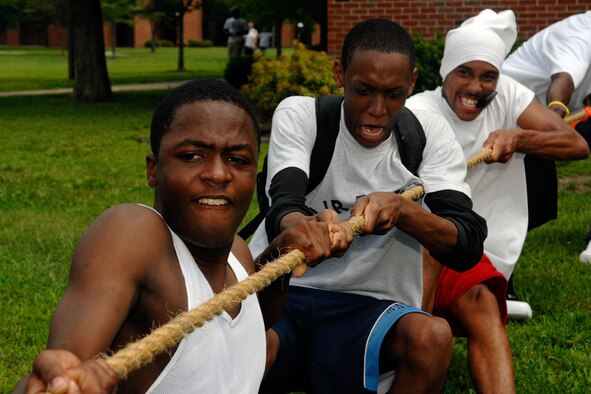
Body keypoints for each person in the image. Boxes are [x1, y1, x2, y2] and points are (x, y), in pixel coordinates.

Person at [14, 79, 351, 393]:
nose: (218, 174)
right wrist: (60, 379)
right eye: (192, 156)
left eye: (237, 159)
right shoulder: (134, 233)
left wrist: (282, 257)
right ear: (152, 169)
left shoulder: (237, 254)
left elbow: (243, 326)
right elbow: (66, 368)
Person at [248, 18, 488, 394]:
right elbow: (283, 207)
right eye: (363, 90)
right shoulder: (303, 117)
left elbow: (466, 242)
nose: (377, 109)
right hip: (288, 297)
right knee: (249, 350)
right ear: (340, 74)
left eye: (393, 93)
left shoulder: (429, 135)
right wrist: (306, 229)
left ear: (412, 82)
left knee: (433, 338)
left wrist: (404, 212)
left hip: (369, 306)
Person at [406, 9, 590, 394]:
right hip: (413, 248)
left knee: (483, 305)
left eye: (487, 75)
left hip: (474, 248)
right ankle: (411, 352)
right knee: (424, 296)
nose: (476, 87)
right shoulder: (418, 112)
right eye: (465, 73)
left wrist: (520, 138)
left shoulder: (508, 95)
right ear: (445, 73)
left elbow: (575, 144)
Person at [502, 11, 591, 265]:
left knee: (537, 203)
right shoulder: (581, 37)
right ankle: (487, 252)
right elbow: (562, 83)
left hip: (535, 119)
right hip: (506, 116)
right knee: (533, 201)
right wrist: (556, 122)